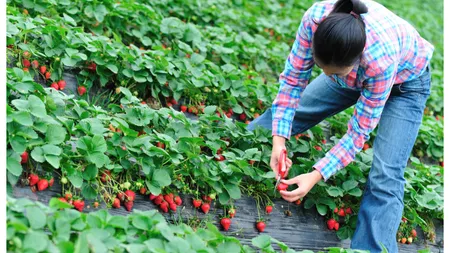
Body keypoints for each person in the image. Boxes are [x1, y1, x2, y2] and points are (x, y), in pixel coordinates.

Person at [247, 0, 434, 251]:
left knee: (385, 175)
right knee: (295, 112)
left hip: (407, 85)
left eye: (335, 72)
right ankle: (236, 150)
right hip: (351, 64)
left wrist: (315, 175)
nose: (327, 75)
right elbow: (293, 81)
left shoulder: (379, 61)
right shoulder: (316, 20)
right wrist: (278, 142)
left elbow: (358, 133)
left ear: (355, 63)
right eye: (322, 68)